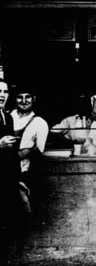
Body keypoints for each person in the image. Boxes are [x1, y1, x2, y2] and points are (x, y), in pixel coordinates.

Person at [10, 84, 49, 206]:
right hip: (5, 169)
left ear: (34, 99)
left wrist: (25, 152)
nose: (24, 101)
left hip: (24, 173)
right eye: (20, 97)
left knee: (23, 204)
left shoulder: (39, 123)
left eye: (28, 97)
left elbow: (38, 150)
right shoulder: (7, 117)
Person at [0, 79, 21, 265]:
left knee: (6, 223)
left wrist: (18, 179)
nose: (2, 95)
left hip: (6, 180)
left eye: (5, 91)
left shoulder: (8, 117)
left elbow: (13, 154)